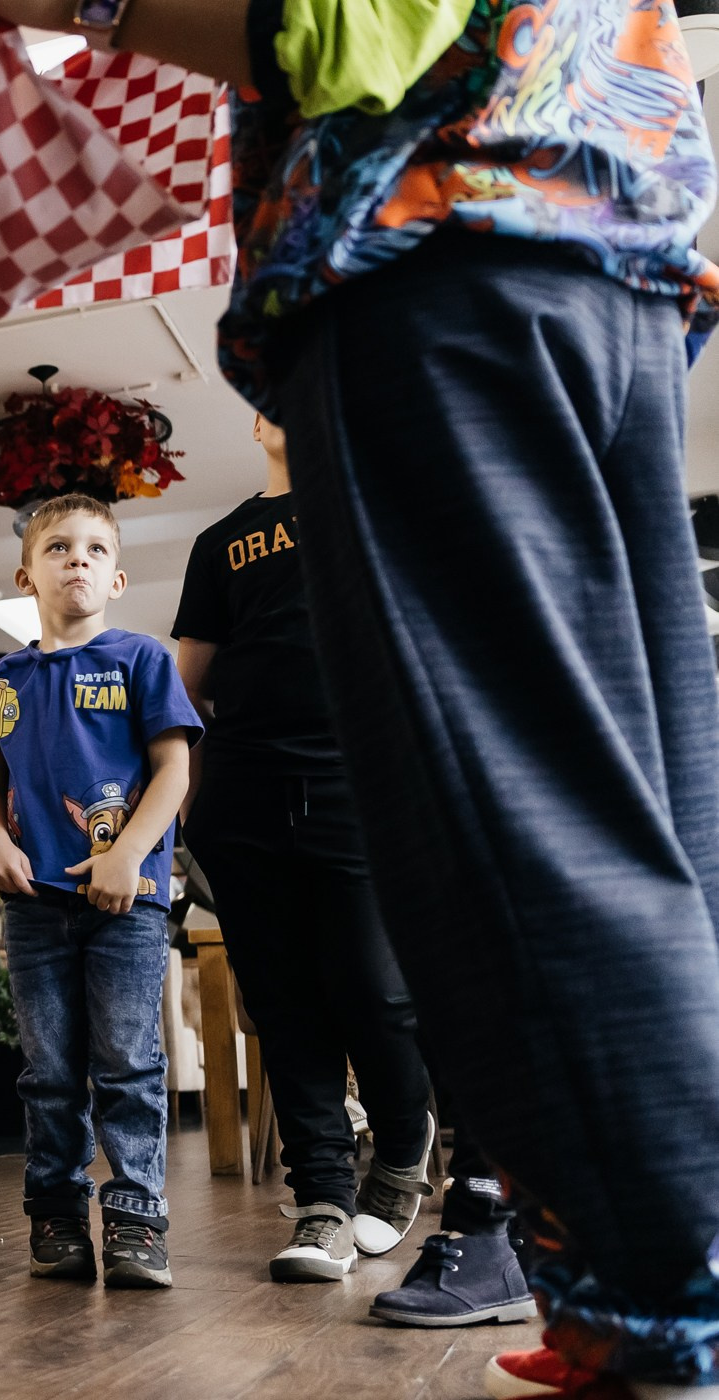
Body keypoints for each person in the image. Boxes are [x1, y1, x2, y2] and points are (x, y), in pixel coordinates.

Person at [0, 1, 719, 1393]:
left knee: (510, 838)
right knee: (644, 805)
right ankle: (653, 1297)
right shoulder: (212, 560)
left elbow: (354, 30)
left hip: (436, 252)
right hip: (595, 246)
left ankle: (662, 1318)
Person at [173, 412, 444, 1284]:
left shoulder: (385, 505)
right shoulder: (222, 540)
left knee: (373, 989)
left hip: (361, 781)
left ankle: (402, 1145)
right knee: (285, 1010)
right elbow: (189, 685)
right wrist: (190, 804)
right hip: (248, 788)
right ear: (255, 416)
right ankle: (323, 1200)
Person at [0, 493, 202, 1290]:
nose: (78, 559)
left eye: (95, 550)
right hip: (34, 905)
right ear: (25, 574)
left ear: (119, 577)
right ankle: (57, 1216)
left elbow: (175, 768)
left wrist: (129, 853)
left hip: (127, 903)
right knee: (49, 1069)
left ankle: (137, 1220)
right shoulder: (3, 677)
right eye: (59, 547)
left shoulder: (142, 661)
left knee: (128, 1062)